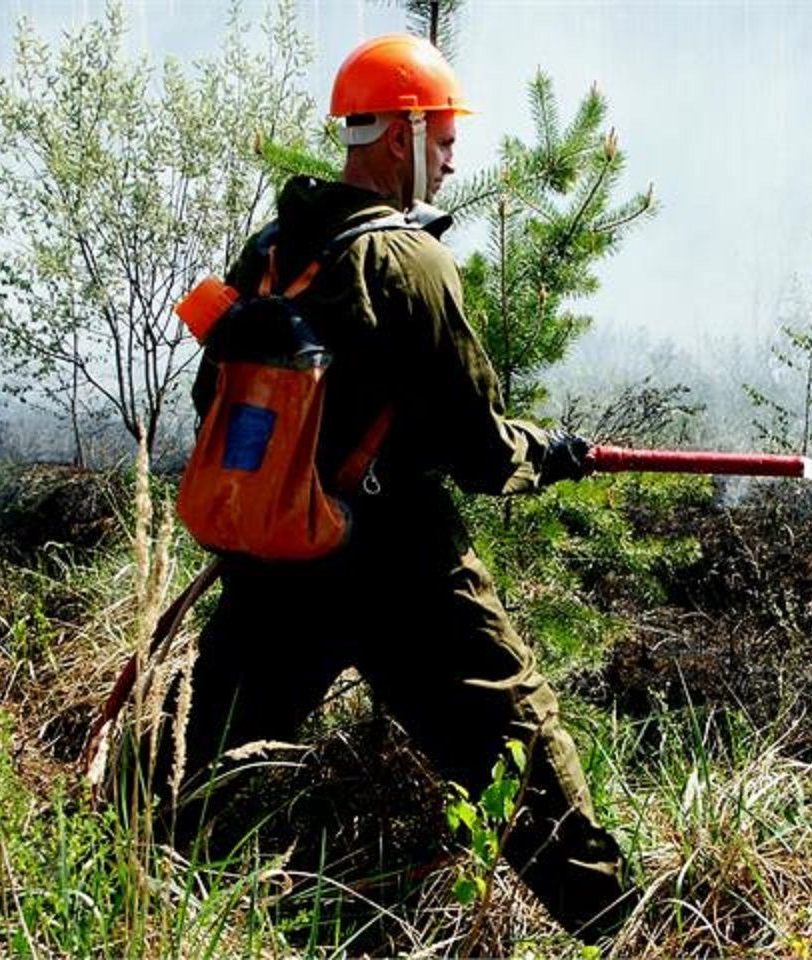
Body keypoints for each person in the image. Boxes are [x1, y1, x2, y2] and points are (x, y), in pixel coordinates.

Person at [149, 34, 631, 943]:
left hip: (277, 556)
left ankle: (145, 908)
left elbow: (216, 397)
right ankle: (624, 929)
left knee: (204, 765)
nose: (454, 159)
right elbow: (480, 451)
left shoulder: (272, 251)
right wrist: (550, 453)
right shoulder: (411, 263)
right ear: (402, 133)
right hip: (400, 566)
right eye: (444, 138)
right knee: (520, 749)